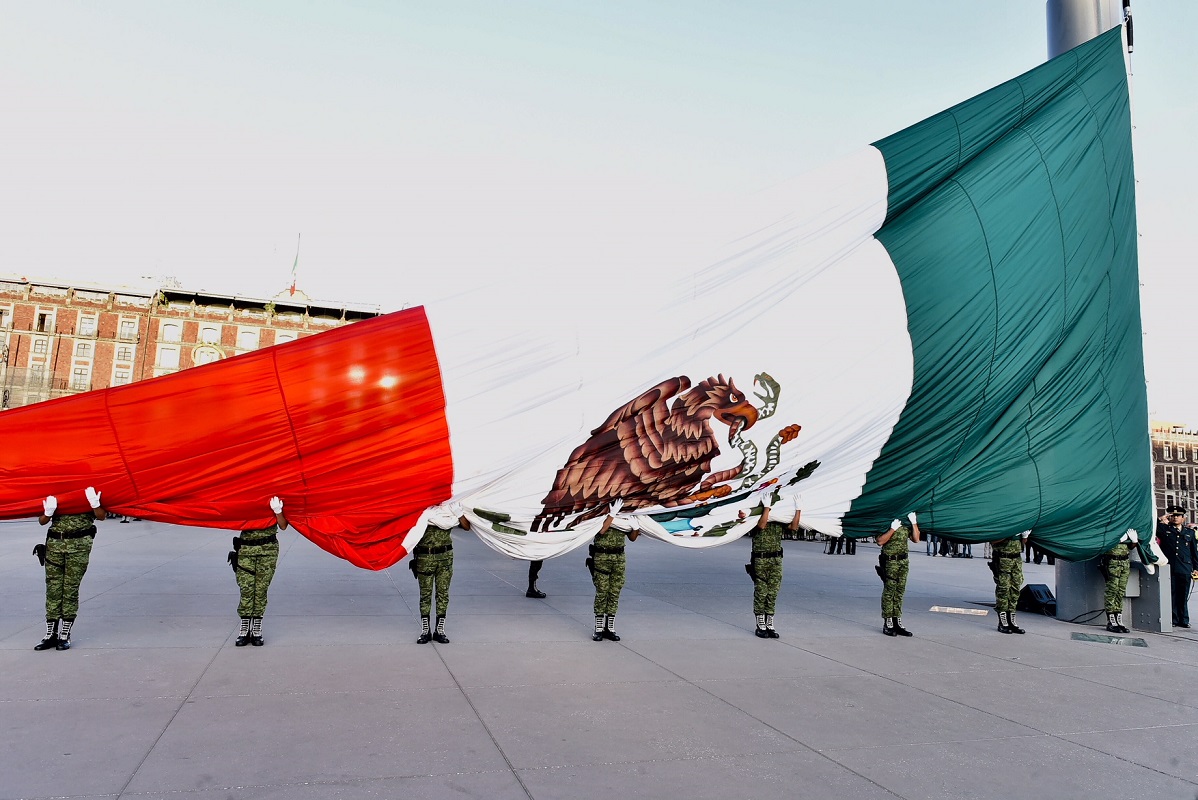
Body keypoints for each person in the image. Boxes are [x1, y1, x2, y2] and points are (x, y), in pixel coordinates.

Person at [34, 486, 106, 651]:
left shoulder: (89, 492)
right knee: (53, 590)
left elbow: (102, 516)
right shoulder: (58, 489)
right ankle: (50, 635)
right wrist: (49, 512)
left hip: (79, 548)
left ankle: (64, 634)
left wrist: (94, 503)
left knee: (70, 589)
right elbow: (41, 521)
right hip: (54, 547)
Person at [229, 496, 288, 647]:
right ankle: (244, 628)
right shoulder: (247, 498)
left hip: (268, 550)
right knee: (246, 589)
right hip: (246, 550)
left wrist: (278, 511)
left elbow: (283, 525)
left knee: (261, 590)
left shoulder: (275, 499)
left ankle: (256, 629)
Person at [412, 503, 469, 644]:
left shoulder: (449, 508)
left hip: (445, 557)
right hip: (425, 556)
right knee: (425, 594)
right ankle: (426, 631)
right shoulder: (422, 509)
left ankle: (440, 630)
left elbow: (466, 526)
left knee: (443, 594)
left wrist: (458, 512)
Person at [746, 498, 799, 638]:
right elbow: (762, 526)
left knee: (773, 593)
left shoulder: (779, 522)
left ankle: (770, 623)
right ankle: (760, 624)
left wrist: (798, 509)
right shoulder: (756, 519)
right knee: (761, 592)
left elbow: (793, 527)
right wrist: (767, 507)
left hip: (776, 560)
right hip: (760, 560)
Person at [588, 500, 638, 641]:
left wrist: (635, 527)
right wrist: (612, 514)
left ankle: (609, 628)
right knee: (602, 591)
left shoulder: (626, 517)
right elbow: (602, 530)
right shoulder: (601, 513)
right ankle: (598, 629)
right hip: (602, 557)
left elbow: (633, 538)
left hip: (619, 557)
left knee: (614, 592)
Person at [876, 512, 920, 636]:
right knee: (889, 591)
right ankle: (888, 622)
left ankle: (897, 621)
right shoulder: (885, 521)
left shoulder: (905, 522)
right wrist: (892, 529)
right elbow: (880, 541)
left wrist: (914, 522)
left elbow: (916, 539)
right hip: (890, 561)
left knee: (900, 592)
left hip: (903, 561)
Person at [1155, 505, 1198, 628]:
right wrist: (1161, 518)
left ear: (1183, 518)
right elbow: (1153, 526)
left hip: (1185, 567)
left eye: (1177, 516)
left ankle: (1183, 620)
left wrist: (1196, 567)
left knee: (1183, 594)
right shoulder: (1164, 530)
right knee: (1171, 594)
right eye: (1172, 515)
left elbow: (1194, 552)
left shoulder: (1189, 532)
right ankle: (1173, 619)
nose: (1175, 518)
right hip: (1170, 567)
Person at [1099, 530, 1138, 633]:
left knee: (1121, 591)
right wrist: (1118, 540)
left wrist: (1134, 541)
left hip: (1124, 561)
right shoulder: (1111, 528)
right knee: (1112, 589)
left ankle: (1119, 619)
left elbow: (1130, 547)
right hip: (1112, 561)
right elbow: (1103, 544)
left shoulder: (1126, 529)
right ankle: (1111, 621)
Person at [991, 532, 1026, 634]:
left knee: (1015, 589)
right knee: (1003, 589)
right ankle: (1003, 622)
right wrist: (1009, 534)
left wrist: (1024, 536)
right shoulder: (1004, 523)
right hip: (1002, 559)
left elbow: (1023, 543)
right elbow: (993, 540)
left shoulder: (1020, 525)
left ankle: (1012, 620)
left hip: (1016, 559)